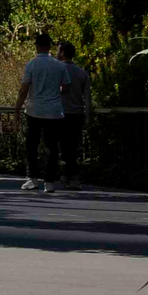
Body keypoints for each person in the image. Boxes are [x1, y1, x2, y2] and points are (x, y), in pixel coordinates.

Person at [20, 32, 74, 192]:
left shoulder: (32, 64)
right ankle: (49, 182)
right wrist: (55, 91)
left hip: (34, 109)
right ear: (50, 46)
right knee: (51, 147)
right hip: (54, 110)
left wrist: (18, 107)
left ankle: (32, 178)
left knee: (32, 145)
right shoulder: (59, 65)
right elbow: (67, 87)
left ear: (37, 46)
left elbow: (24, 88)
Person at [58, 46, 92, 189]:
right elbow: (88, 97)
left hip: (60, 113)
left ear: (63, 53)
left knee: (64, 146)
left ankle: (71, 177)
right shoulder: (82, 73)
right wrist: (88, 116)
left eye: (59, 50)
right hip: (78, 114)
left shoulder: (58, 70)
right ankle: (69, 176)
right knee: (73, 146)